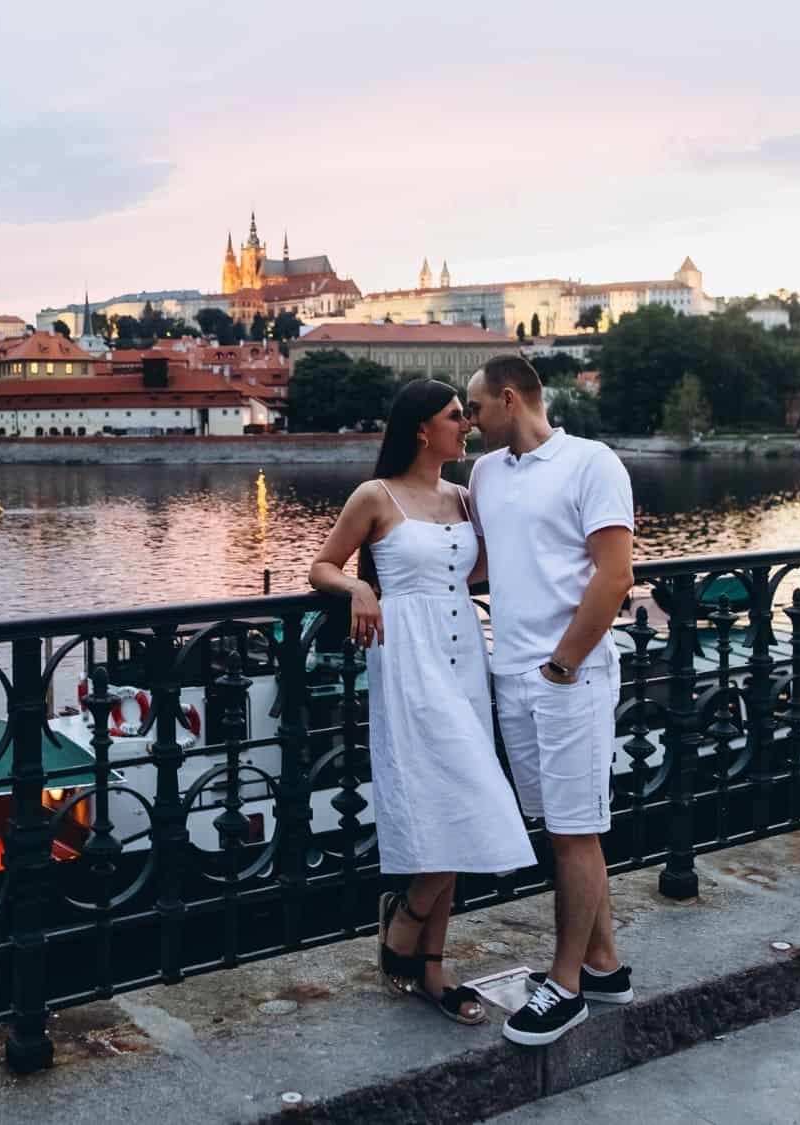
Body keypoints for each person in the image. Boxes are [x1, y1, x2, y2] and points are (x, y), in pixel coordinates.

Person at [308, 378, 537, 1025]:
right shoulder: (375, 496)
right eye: (454, 416)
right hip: (408, 656)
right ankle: (405, 925)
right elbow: (322, 564)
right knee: (464, 795)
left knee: (457, 804)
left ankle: (432, 968)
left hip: (466, 652)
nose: (465, 425)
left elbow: (483, 568)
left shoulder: (465, 498)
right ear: (420, 428)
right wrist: (357, 589)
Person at [464, 354, 638, 1047]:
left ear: (510, 399)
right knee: (564, 826)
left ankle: (564, 988)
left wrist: (563, 662)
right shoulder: (484, 474)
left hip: (570, 675)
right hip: (513, 673)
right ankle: (604, 964)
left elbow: (616, 571)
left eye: (475, 408)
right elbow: (485, 561)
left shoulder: (592, 463)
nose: (470, 422)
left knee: (573, 829)